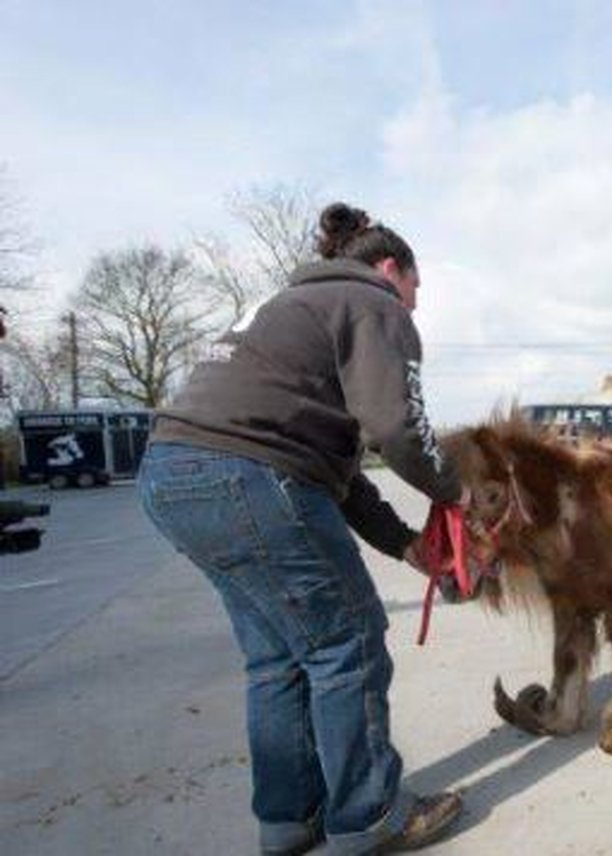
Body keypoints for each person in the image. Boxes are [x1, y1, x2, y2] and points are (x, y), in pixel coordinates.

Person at [138, 202, 467, 855]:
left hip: (172, 474)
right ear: (390, 268)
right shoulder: (373, 303)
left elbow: (336, 477)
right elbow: (398, 430)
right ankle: (370, 818)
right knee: (348, 641)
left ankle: (291, 820)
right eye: (416, 288)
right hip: (246, 475)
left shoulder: (293, 311)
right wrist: (455, 491)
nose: (415, 305)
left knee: (278, 655)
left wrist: (407, 547)